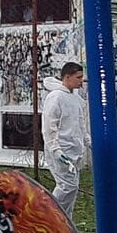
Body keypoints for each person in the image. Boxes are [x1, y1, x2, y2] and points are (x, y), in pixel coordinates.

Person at [41, 60, 88, 219]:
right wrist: (56, 150)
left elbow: (80, 123)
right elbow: (49, 126)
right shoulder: (56, 97)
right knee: (67, 186)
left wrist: (87, 141)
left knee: (72, 189)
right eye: (78, 77)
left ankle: (64, 221)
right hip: (61, 150)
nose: (81, 81)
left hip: (74, 149)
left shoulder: (74, 97)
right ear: (67, 77)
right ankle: (47, 216)